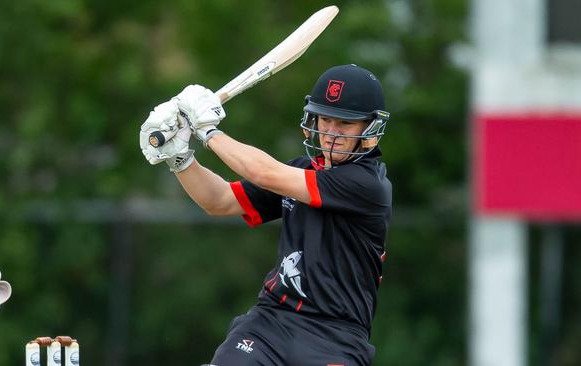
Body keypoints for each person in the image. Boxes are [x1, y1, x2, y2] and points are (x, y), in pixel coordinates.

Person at [140, 64, 392, 366]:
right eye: (325, 119)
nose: (330, 133)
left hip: (335, 336)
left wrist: (208, 130)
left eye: (345, 124)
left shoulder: (367, 184)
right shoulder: (301, 170)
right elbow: (220, 201)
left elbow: (263, 171)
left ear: (369, 129)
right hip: (271, 321)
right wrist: (180, 158)